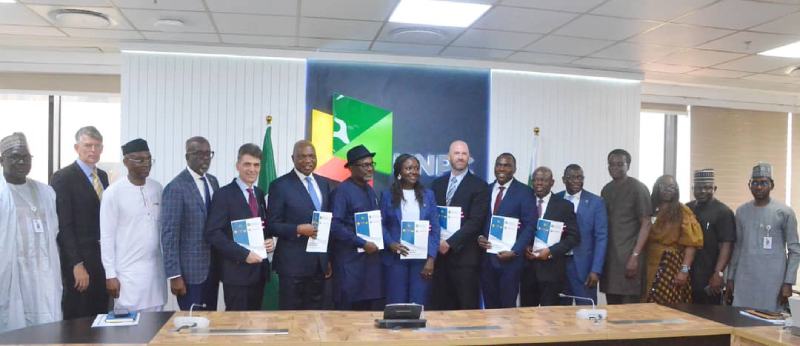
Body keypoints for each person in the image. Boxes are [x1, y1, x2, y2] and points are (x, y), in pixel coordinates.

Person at [0, 133, 62, 332]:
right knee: (14, 321)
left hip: (44, 271)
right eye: (14, 157)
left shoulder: (46, 192)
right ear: (1, 160)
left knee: (46, 322)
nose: (21, 162)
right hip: (12, 271)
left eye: (26, 157)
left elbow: (55, 230)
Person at [267, 140, 335, 310]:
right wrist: (297, 229)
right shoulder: (280, 185)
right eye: (302, 156)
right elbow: (272, 224)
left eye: (311, 156)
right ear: (293, 158)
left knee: (314, 320)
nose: (307, 160)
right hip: (292, 266)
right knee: (291, 319)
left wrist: (327, 258)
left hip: (319, 265)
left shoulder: (324, 184)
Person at [205, 143, 274, 311]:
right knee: (238, 325)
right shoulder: (223, 195)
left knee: (256, 325)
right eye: (247, 164)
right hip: (236, 274)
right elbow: (213, 233)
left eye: (256, 165)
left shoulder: (258, 193)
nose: (252, 169)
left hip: (259, 272)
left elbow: (262, 226)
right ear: (238, 166)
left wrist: (270, 240)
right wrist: (244, 254)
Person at [100, 138, 166, 312]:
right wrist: (110, 275)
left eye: (148, 159)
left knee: (155, 330)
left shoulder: (157, 188)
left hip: (155, 276)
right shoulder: (113, 193)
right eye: (139, 159)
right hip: (127, 277)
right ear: (126, 162)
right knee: (128, 333)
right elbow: (106, 237)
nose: (146, 164)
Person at [51, 126, 110, 319]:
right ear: (77, 147)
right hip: (80, 263)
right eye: (88, 145)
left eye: (97, 146)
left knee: (100, 314)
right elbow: (64, 226)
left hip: (101, 260)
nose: (93, 150)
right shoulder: (63, 177)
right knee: (79, 318)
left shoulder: (102, 176)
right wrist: (76, 264)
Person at [727, 162, 800, 312]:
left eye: (763, 183)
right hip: (745, 279)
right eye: (755, 183)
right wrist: (730, 278)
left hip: (773, 282)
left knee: (769, 325)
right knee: (742, 320)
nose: (759, 187)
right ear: (749, 185)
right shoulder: (741, 212)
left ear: (771, 185)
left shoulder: (784, 212)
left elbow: (795, 250)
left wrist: (788, 283)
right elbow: (738, 247)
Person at [160, 136, 220, 311]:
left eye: (208, 153)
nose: (205, 158)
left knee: (211, 321)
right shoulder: (176, 187)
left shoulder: (213, 182)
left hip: (213, 270)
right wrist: (174, 274)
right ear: (187, 157)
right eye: (199, 153)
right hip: (189, 274)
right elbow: (169, 234)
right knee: (193, 327)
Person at [430, 140, 489, 310]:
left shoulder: (479, 186)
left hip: (465, 258)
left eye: (464, 154)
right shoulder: (437, 184)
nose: (460, 157)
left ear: (469, 157)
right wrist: (438, 242)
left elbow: (476, 221)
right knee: (440, 307)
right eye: (457, 153)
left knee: (466, 308)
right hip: (440, 259)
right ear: (449, 157)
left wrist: (449, 243)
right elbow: (432, 217)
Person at [380, 154, 440, 306]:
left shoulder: (428, 195)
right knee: (396, 304)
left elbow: (435, 228)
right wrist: (391, 243)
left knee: (418, 304)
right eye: (408, 168)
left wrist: (431, 258)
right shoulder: (387, 196)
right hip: (396, 260)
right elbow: (381, 224)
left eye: (416, 168)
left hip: (420, 261)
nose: (414, 172)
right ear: (399, 172)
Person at [476, 153, 536, 308]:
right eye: (499, 165)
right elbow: (478, 220)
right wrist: (480, 236)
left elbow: (530, 225)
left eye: (507, 165)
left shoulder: (525, 192)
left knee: (507, 309)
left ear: (514, 169)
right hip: (487, 260)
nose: (502, 169)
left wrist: (515, 251)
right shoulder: (485, 190)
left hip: (511, 262)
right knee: (489, 307)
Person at [330, 145, 384, 310]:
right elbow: (335, 225)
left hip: (369, 264)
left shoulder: (370, 190)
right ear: (352, 168)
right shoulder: (342, 191)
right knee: (348, 313)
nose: (370, 168)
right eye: (365, 165)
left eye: (371, 164)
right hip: (349, 262)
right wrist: (361, 243)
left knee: (368, 313)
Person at [520, 166, 579, 306]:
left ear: (552, 182)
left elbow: (573, 237)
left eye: (544, 180)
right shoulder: (523, 202)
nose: (539, 183)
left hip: (552, 272)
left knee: (551, 321)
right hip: (527, 271)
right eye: (536, 180)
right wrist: (523, 247)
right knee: (526, 318)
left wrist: (551, 252)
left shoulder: (564, 206)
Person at [600, 149, 653, 304]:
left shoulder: (638, 188)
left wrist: (635, 256)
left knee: (629, 313)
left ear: (628, 165)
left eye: (620, 164)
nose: (615, 167)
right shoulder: (606, 189)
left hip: (629, 258)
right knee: (612, 308)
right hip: (611, 261)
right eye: (611, 164)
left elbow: (646, 224)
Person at [643, 175, 703, 304]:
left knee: (666, 304)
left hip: (670, 264)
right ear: (657, 187)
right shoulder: (649, 208)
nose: (668, 190)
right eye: (663, 186)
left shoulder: (683, 211)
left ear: (676, 190)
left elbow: (691, 245)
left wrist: (684, 271)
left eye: (672, 187)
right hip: (647, 263)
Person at [555, 164, 608, 306]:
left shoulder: (596, 202)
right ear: (563, 179)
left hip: (584, 267)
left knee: (586, 312)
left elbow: (601, 238)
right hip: (558, 265)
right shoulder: (556, 199)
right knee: (559, 315)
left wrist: (596, 270)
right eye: (571, 178)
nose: (576, 181)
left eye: (580, 177)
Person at [687, 169, 735, 305]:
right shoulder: (687, 209)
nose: (702, 191)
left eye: (707, 187)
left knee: (709, 316)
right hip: (688, 276)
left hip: (709, 277)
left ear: (714, 188)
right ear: (692, 189)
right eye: (698, 187)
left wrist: (718, 273)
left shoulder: (723, 212)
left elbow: (727, 245)